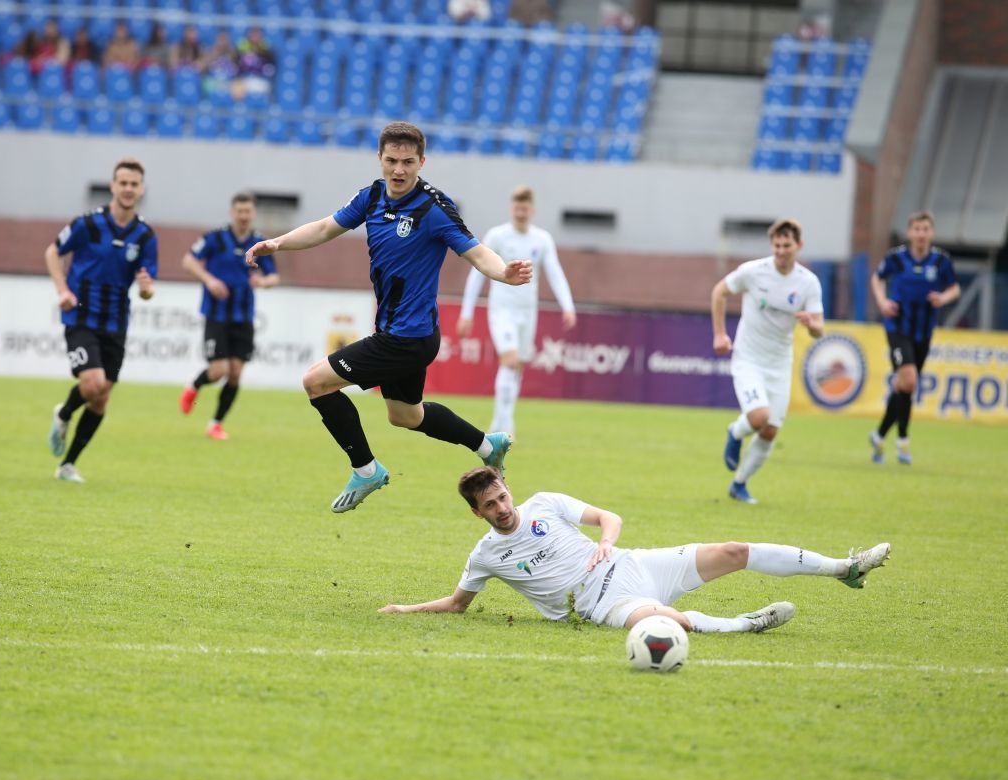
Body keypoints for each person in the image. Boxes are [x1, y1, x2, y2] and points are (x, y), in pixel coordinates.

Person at [244, 121, 533, 513]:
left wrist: (504, 274)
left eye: (408, 162)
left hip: (406, 337)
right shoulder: (373, 196)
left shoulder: (433, 208)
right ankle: (487, 444)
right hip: (404, 333)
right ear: (380, 159)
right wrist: (279, 242)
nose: (399, 170)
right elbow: (327, 227)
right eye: (392, 161)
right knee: (405, 415)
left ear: (422, 162)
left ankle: (366, 470)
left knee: (316, 382)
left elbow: (476, 251)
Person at [380, 467, 891, 633]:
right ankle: (746, 623)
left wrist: (605, 543)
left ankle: (845, 568)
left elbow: (609, 517)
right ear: (477, 513)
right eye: (490, 506)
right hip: (601, 604)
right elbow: (457, 603)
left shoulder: (543, 504)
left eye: (502, 496)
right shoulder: (485, 555)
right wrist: (405, 607)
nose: (502, 508)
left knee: (735, 549)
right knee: (667, 621)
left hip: (631, 563)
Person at [45, 159, 158, 483]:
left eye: (134, 184)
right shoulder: (88, 224)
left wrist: (148, 290)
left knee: (102, 395)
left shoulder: (145, 235)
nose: (128, 188)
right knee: (92, 384)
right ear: (112, 186)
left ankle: (67, 464)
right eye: (122, 182)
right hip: (80, 314)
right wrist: (62, 289)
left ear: (141, 189)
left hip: (116, 321)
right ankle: (64, 414)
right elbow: (52, 252)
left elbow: (147, 287)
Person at [711, 218, 824, 504]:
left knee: (771, 430)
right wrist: (720, 334)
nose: (781, 250)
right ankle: (736, 431)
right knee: (759, 418)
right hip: (748, 358)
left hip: (779, 363)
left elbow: (819, 330)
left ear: (798, 246)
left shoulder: (808, 282)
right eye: (777, 245)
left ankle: (739, 484)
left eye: (787, 245)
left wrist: (811, 324)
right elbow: (719, 292)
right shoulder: (754, 271)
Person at [457, 185, 576, 437]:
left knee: (518, 366)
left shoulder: (542, 240)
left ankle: (504, 420)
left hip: (528, 311)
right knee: (509, 360)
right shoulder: (498, 236)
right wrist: (466, 312)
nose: (520, 213)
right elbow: (477, 273)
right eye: (517, 208)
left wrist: (568, 306)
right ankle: (501, 425)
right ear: (511, 208)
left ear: (532, 210)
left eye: (525, 208)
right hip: (503, 310)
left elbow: (555, 273)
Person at [179, 192, 279, 440]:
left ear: (253, 214)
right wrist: (209, 280)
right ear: (232, 212)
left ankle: (215, 423)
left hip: (243, 317)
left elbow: (274, 276)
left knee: (235, 373)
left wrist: (263, 282)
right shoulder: (215, 238)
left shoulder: (260, 243)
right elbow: (188, 261)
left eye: (248, 211)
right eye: (239, 211)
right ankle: (194, 385)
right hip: (216, 315)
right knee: (218, 371)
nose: (243, 216)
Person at [869, 211, 960, 465]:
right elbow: (877, 278)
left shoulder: (940, 261)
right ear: (910, 232)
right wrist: (882, 301)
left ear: (931, 232)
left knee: (904, 385)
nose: (921, 234)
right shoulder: (897, 258)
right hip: (897, 328)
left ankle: (879, 436)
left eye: (925, 229)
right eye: (916, 229)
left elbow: (954, 288)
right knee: (909, 379)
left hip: (924, 331)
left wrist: (943, 298)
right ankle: (903, 441)